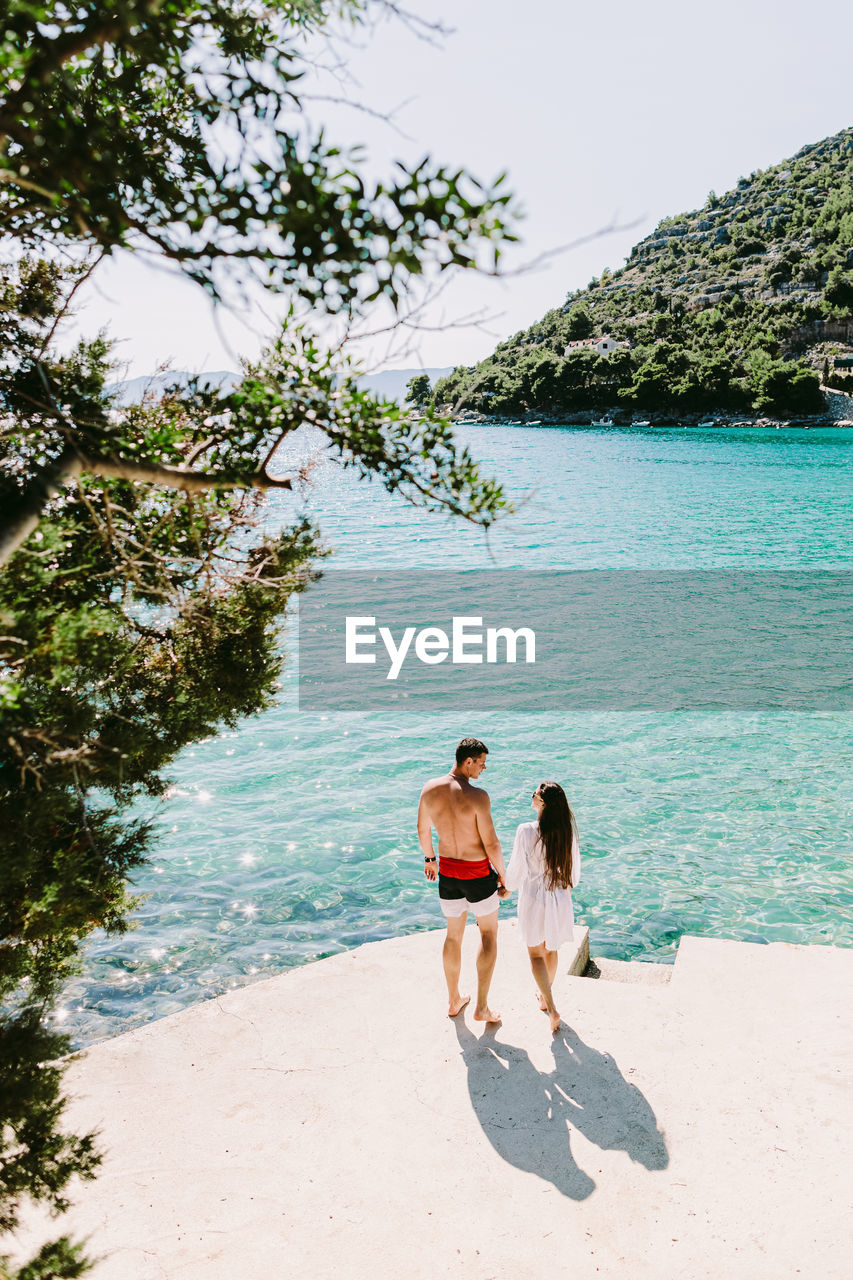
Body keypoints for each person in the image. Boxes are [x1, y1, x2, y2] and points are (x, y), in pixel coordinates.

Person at [417, 737, 508, 1023]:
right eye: (481, 764)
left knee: (453, 936)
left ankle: (454, 999)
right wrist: (503, 875)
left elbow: (422, 830)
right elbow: (491, 843)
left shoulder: (430, 789)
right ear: (467, 761)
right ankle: (482, 1007)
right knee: (489, 934)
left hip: (448, 874)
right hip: (477, 873)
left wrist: (430, 859)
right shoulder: (478, 796)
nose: (483, 769)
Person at [504, 781, 581, 1034]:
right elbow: (574, 872)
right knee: (551, 950)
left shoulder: (525, 830)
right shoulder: (564, 831)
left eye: (534, 793)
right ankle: (544, 997)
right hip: (558, 897)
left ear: (543, 803)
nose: (532, 796)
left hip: (535, 897)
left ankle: (551, 1005)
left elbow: (516, 868)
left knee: (536, 954)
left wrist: (507, 888)